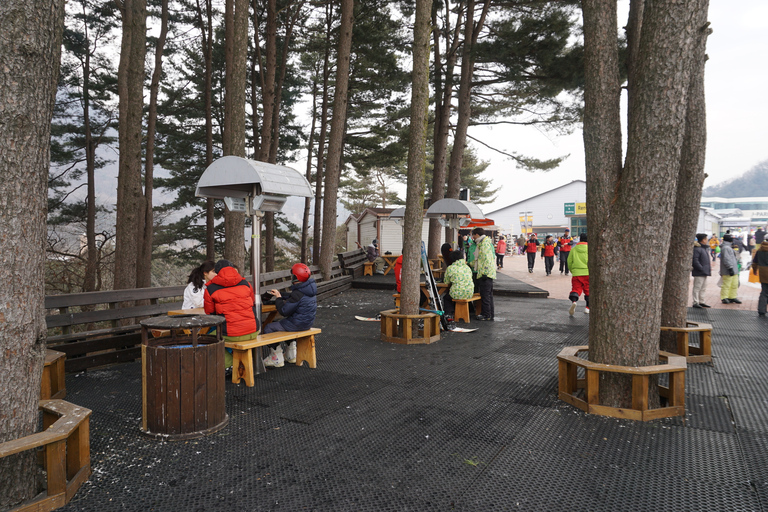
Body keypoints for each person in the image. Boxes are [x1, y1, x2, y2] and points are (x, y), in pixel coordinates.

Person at [204, 259, 259, 370]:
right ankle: (243, 363)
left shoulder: (210, 288)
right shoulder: (246, 284)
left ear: (218, 272)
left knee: (206, 340)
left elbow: (210, 313)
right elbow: (252, 303)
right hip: (253, 330)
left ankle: (230, 364)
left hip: (231, 334)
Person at [262, 263, 318, 367]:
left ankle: (276, 358)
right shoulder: (309, 289)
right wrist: (281, 294)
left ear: (295, 277)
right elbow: (294, 297)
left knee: (269, 327)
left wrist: (278, 298)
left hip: (296, 324)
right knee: (285, 324)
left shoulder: (298, 294)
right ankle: (291, 354)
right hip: (306, 323)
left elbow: (284, 311)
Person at [441, 250, 474, 327]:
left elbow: (446, 282)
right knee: (458, 294)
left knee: (447, 297)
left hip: (457, 293)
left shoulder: (451, 268)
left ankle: (449, 314)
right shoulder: (467, 267)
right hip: (469, 292)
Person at [471, 227, 496, 320]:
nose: (472, 237)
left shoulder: (484, 244)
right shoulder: (484, 242)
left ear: (477, 234)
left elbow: (486, 259)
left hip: (485, 273)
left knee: (485, 295)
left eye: (473, 235)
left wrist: (485, 272)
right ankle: (489, 314)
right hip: (487, 273)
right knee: (488, 295)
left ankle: (486, 315)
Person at [567, 233, 589, 315]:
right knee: (588, 290)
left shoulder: (574, 249)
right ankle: (587, 308)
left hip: (577, 273)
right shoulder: (590, 249)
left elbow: (569, 262)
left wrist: (573, 270)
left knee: (576, 289)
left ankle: (574, 301)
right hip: (588, 273)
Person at [691, 233, 712, 309]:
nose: (707, 240)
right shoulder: (698, 249)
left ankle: (701, 301)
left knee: (703, 287)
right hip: (700, 272)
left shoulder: (703, 248)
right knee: (697, 287)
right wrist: (701, 268)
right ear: (703, 240)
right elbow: (695, 260)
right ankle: (696, 302)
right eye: (706, 239)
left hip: (703, 271)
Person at [719, 234, 741, 304]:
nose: (732, 239)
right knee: (727, 284)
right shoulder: (726, 248)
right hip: (729, 270)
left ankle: (732, 296)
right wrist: (730, 268)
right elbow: (726, 259)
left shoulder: (728, 247)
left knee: (734, 284)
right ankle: (724, 297)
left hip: (734, 269)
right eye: (731, 238)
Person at [750, 238, 768, 317]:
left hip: (763, 272)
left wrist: (754, 270)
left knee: (764, 291)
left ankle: (761, 310)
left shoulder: (760, 250)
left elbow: (755, 262)